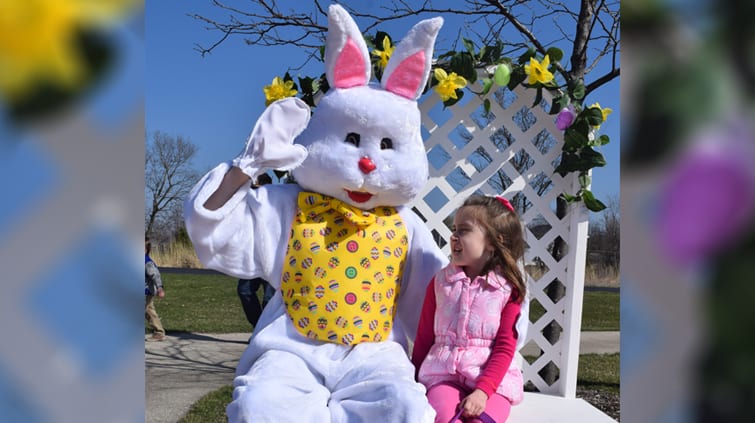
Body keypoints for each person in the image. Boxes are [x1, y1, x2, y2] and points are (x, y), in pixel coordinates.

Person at [411, 195, 527, 423]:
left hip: (492, 382)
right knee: (443, 418)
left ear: (494, 242)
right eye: (454, 229)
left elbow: (505, 348)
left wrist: (483, 392)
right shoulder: (440, 283)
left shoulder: (508, 290)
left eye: (463, 230)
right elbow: (424, 337)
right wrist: (412, 379)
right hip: (443, 376)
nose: (453, 236)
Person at [236, 173, 274, 329]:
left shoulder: (275, 206)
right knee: (244, 291)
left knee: (269, 298)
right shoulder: (248, 207)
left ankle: (266, 330)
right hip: (252, 257)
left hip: (273, 259)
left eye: (255, 187)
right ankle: (258, 326)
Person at [145, 237, 166, 342]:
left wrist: (160, 288)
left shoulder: (147, 262)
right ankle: (159, 331)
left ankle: (159, 332)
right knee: (148, 311)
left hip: (146, 291)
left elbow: (155, 275)